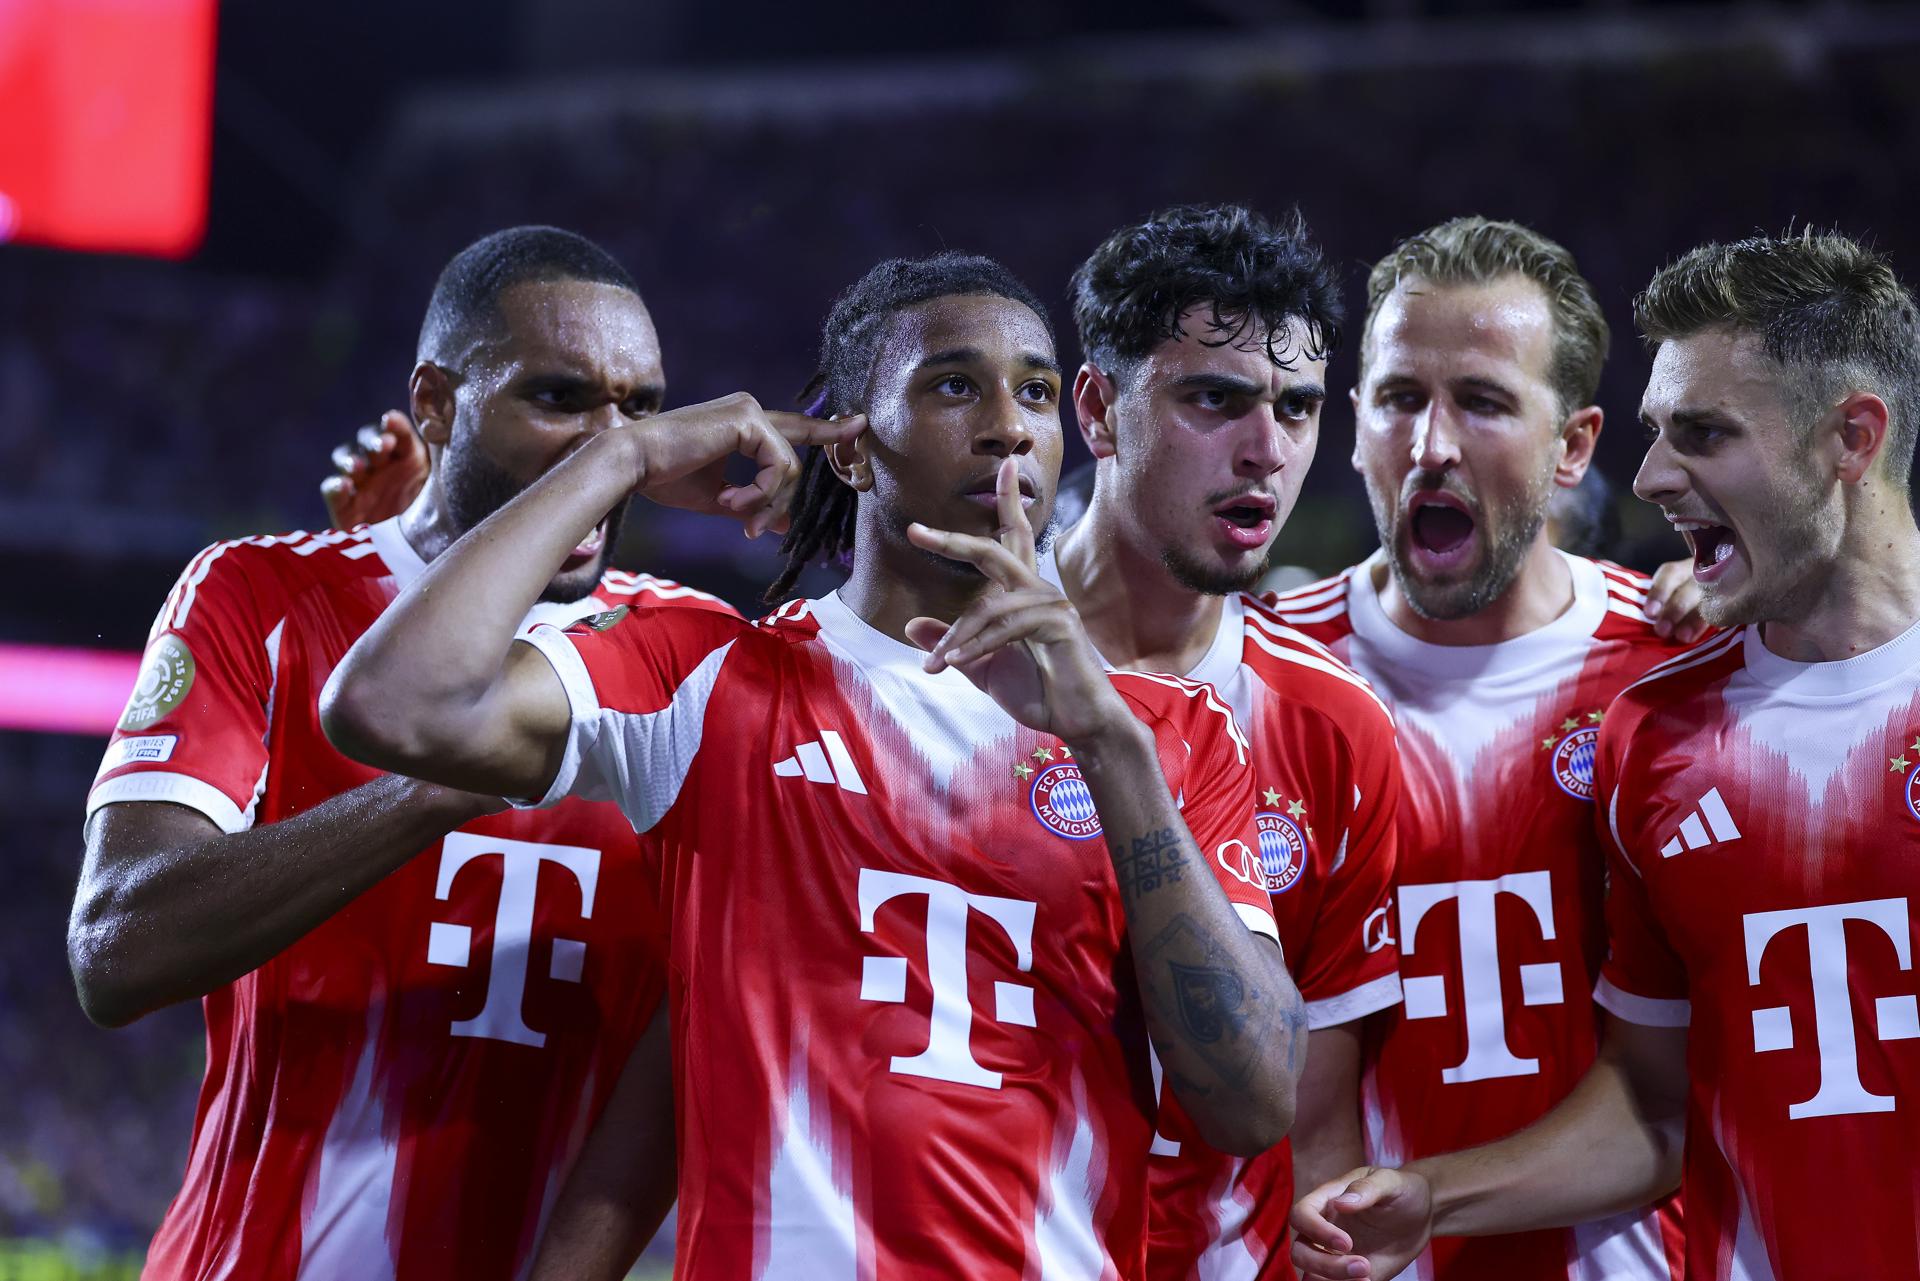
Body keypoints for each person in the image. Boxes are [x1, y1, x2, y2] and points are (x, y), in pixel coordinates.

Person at [321, 251, 1308, 1280]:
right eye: (954, 384)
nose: (1011, 425)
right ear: (851, 452)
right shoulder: (705, 674)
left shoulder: (1170, 734)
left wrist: (1106, 743)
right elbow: (391, 705)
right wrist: (620, 460)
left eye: (1038, 392)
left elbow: (1251, 1102)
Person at [70, 226, 727, 1280]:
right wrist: (447, 778)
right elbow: (117, 949)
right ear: (435, 401)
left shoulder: (697, 658)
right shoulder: (262, 595)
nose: (615, 455)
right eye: (559, 400)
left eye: (642, 412)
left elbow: (711, 1035)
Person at [1290, 227, 1920, 1281]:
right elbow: (1651, 1102)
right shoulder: (1661, 725)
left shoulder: (1644, 657)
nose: (1656, 475)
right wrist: (1429, 1197)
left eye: (1704, 433)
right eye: (1400, 398)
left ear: (1851, 438)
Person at [1265, 217, 1701, 1279]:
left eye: (1485, 402)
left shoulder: (1684, 673)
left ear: (1575, 448)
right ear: (1356, 421)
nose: (1432, 446)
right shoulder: (1254, 682)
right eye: (1401, 398)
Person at [1046, 204, 1402, 1280]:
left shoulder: (1334, 727)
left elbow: (1321, 1130)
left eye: (1297, 410)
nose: (1268, 451)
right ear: (1101, 410)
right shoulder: (949, 680)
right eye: (1215, 399)